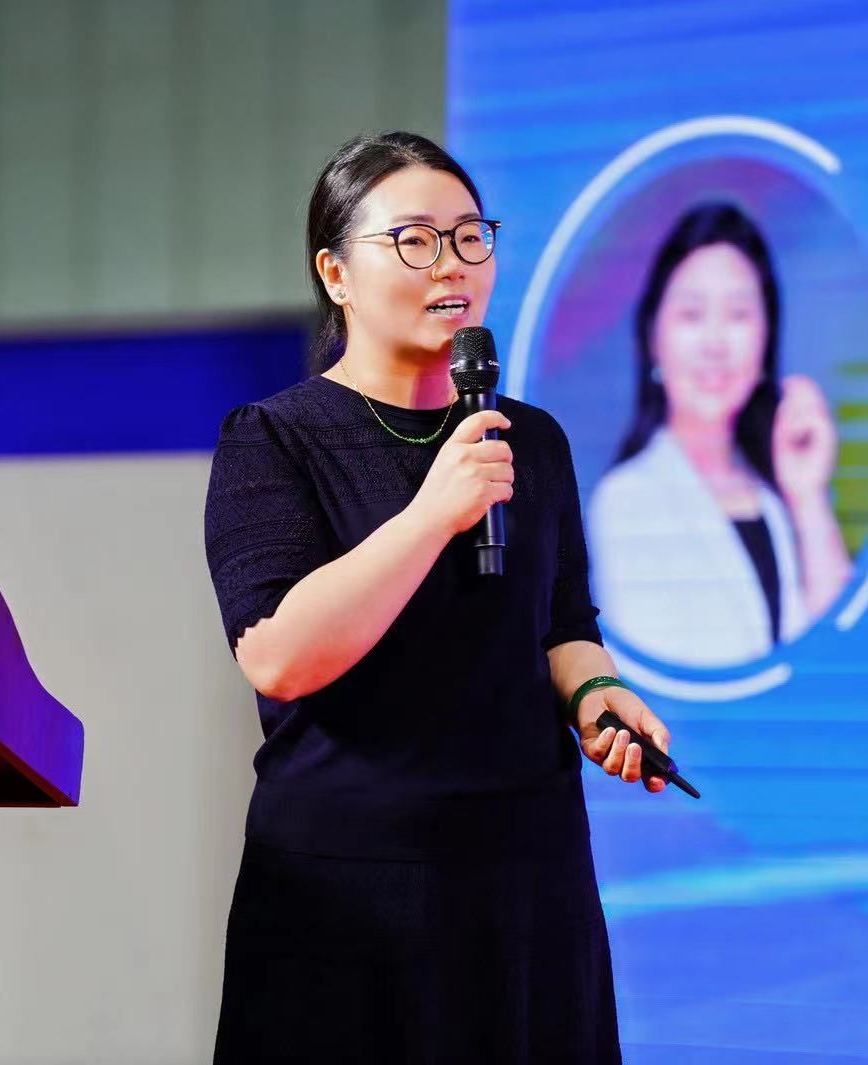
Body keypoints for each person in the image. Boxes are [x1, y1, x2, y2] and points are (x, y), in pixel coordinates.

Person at [203, 131, 673, 1064]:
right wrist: (431, 514)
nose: (451, 263)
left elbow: (563, 625)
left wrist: (596, 695)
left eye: (469, 236)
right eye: (414, 240)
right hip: (351, 889)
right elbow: (279, 655)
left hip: (527, 879)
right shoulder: (275, 439)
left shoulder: (529, 439)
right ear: (336, 273)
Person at [588, 203, 852, 668]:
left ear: (767, 337)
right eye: (692, 314)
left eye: (738, 314)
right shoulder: (626, 502)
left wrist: (808, 496)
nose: (715, 342)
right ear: (653, 337)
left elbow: (846, 654)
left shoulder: (775, 496)